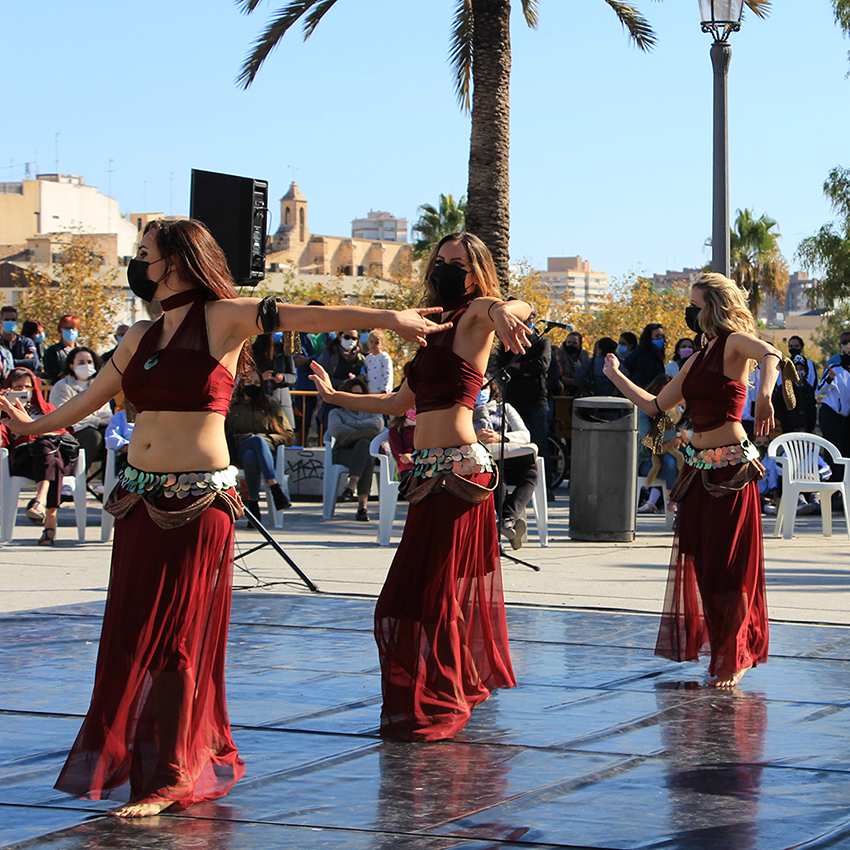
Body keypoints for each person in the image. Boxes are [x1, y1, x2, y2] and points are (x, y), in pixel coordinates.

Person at [0, 217, 450, 818]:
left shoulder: (224, 316)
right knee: (134, 634)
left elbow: (304, 316)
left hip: (198, 507)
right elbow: (88, 401)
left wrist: (387, 320)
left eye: (144, 253)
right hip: (137, 502)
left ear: (178, 260)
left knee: (180, 638)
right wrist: (30, 426)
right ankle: (157, 760)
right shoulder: (138, 334)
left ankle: (173, 772)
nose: (137, 264)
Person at [310, 231, 531, 741]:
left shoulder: (478, 314)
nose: (448, 268)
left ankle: (442, 698)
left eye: (459, 263)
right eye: (442, 261)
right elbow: (396, 404)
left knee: (418, 598)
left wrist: (501, 311)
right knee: (421, 598)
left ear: (477, 272)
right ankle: (442, 690)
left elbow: (515, 304)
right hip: (428, 475)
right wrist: (334, 393)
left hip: (459, 474)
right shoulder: (431, 327)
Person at [603, 272, 780, 689]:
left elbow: (772, 354)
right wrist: (614, 376)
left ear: (713, 307)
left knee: (728, 564)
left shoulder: (735, 343)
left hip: (731, 471)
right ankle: (723, 647)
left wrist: (764, 393)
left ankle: (733, 654)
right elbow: (657, 403)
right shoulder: (695, 359)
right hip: (698, 471)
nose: (690, 312)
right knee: (701, 561)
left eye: (696, 304)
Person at [0, 367, 74, 545]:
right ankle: (50, 525)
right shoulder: (5, 412)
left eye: (28, 386)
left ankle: (40, 501)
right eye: (18, 386)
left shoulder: (47, 408)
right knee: (49, 456)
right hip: (25, 460)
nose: (24, 391)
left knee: (47, 449)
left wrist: (43, 432)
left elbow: (63, 429)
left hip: (53, 455)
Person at [473, 384, 538, 550]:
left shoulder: (505, 408)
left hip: (513, 457)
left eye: (484, 386)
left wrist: (500, 437)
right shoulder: (464, 411)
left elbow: (525, 435)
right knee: (496, 478)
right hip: (486, 463)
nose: (481, 390)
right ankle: (509, 523)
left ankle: (506, 521)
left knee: (530, 474)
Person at [225, 369, 293, 521]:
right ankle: (274, 487)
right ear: (241, 385)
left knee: (253, 454)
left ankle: (253, 505)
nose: (253, 386)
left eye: (257, 382)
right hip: (238, 451)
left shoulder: (270, 404)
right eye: (248, 382)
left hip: (265, 454)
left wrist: (265, 439)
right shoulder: (233, 406)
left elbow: (288, 435)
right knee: (254, 444)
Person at [49, 347, 112, 477]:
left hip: (94, 430)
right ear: (72, 366)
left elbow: (106, 415)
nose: (86, 365)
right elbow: (64, 417)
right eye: (81, 362)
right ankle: (75, 478)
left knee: (113, 435)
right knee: (93, 436)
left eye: (89, 362)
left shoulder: (98, 386)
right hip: (71, 432)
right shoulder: (62, 387)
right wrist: (97, 420)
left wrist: (101, 421)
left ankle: (108, 483)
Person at [327, 376, 384, 520]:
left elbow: (378, 425)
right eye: (354, 395)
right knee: (366, 449)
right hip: (344, 452)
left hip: (365, 452)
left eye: (360, 395)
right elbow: (336, 430)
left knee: (364, 447)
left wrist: (352, 426)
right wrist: (362, 426)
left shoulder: (372, 409)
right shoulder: (336, 412)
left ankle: (351, 485)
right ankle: (362, 508)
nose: (357, 398)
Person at [622, 323, 666, 388]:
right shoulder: (647, 356)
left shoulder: (652, 354)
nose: (660, 339)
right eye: (657, 336)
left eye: (662, 336)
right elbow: (644, 380)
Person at [43, 315, 81, 385]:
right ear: (60, 330)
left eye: (73, 328)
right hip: (59, 388)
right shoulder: (52, 351)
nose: (70, 331)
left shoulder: (82, 351)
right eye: (66, 328)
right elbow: (51, 372)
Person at [0, 306, 39, 372]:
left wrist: (6, 361)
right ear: (1, 321)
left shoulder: (26, 342)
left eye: (13, 320)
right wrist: (23, 361)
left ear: (17, 322)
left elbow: (34, 363)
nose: (10, 322)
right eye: (6, 320)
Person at [557, 331, 589, 396]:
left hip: (580, 390)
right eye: (569, 342)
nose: (571, 345)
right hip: (564, 388)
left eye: (574, 343)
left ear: (580, 344)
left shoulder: (584, 354)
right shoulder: (560, 353)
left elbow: (586, 373)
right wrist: (574, 382)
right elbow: (558, 375)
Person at [364, 330, 394, 394]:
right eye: (371, 342)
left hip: (381, 391)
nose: (373, 345)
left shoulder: (384, 357)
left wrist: (385, 388)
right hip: (370, 391)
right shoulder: (368, 358)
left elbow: (388, 374)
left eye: (376, 343)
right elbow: (366, 372)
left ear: (382, 344)